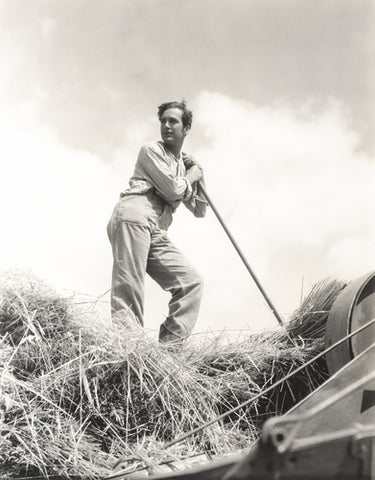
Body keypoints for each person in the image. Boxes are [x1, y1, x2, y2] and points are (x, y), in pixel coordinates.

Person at [107, 100, 207, 346]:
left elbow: (200, 209)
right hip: (134, 214)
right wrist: (190, 177)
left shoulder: (180, 164)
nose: (166, 125)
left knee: (191, 282)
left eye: (173, 121)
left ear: (186, 128)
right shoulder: (151, 151)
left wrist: (199, 173)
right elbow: (174, 191)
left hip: (156, 228)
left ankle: (169, 351)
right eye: (163, 121)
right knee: (130, 284)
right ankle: (128, 350)